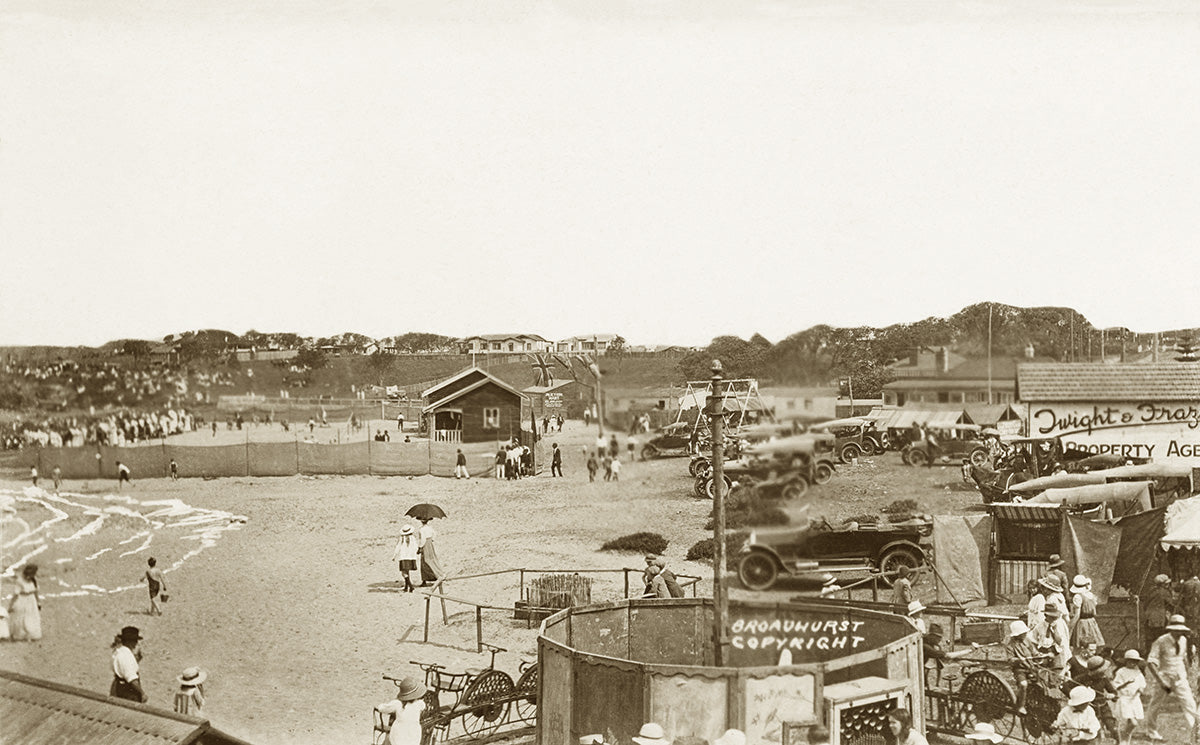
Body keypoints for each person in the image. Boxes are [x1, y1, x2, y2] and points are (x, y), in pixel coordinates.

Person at [1144, 613, 1197, 740]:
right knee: (1155, 705)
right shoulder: (1161, 641)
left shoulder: (1184, 640)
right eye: (1176, 630)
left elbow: (1182, 658)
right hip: (1165, 677)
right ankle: (1151, 731)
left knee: (1189, 703)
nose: (1179, 633)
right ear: (1171, 629)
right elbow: (1151, 662)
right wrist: (1161, 681)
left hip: (1180, 678)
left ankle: (1196, 730)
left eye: (1181, 630)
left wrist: (1187, 673)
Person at [374, 675, 426, 745]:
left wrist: (380, 706)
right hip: (413, 734)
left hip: (399, 734)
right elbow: (423, 707)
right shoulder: (420, 704)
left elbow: (382, 708)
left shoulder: (397, 703)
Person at [1113, 650, 1146, 745]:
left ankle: (1125, 740)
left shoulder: (1138, 672)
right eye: (1130, 661)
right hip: (1125, 699)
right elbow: (1116, 685)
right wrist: (1126, 683)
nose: (1133, 663)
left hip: (1135, 699)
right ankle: (1122, 738)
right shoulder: (1121, 671)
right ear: (1126, 661)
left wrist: (1140, 689)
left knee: (1131, 723)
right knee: (1132, 722)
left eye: (1135, 661)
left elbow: (1142, 684)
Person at [110, 626, 146, 703]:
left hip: (119, 686)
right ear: (131, 642)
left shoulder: (118, 652)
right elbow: (131, 678)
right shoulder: (126, 656)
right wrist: (142, 693)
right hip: (127, 691)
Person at [7, 564, 42, 641]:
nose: (29, 577)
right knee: (22, 619)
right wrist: (11, 605)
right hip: (22, 601)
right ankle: (21, 635)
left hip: (31, 601)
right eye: (28, 575)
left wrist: (38, 602)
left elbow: (36, 592)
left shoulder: (34, 580)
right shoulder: (19, 581)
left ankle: (30, 635)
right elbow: (16, 595)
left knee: (31, 618)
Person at [1069, 575, 1105, 648]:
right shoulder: (1090, 595)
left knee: (1083, 644)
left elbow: (1077, 615)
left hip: (1082, 623)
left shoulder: (1078, 597)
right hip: (1091, 621)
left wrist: (1070, 626)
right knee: (1092, 644)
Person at [1144, 574, 1173, 650]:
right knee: (1160, 636)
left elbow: (1145, 604)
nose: (1168, 585)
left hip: (1149, 618)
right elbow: (1171, 604)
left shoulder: (1152, 591)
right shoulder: (1164, 592)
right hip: (1159, 619)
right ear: (1163, 584)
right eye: (1166, 583)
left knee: (1150, 638)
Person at [417, 518, 445, 587]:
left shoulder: (421, 529)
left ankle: (425, 580)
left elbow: (423, 539)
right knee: (432, 559)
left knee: (425, 561)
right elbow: (434, 534)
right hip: (430, 543)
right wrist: (431, 540)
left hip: (425, 544)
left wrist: (420, 547)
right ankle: (438, 574)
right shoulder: (430, 528)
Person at [392, 525, 419, 593]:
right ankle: (406, 587)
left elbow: (398, 546)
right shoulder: (412, 538)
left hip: (403, 557)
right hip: (411, 557)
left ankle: (410, 586)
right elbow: (415, 547)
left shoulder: (402, 538)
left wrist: (394, 555)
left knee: (404, 573)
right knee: (407, 572)